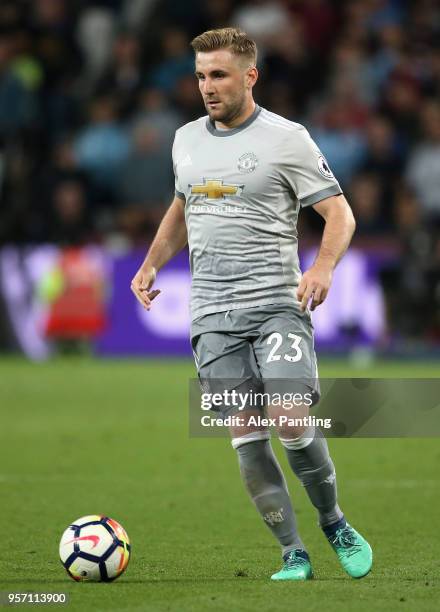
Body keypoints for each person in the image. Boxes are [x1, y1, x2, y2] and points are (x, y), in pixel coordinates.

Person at [131, 27, 372, 581]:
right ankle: (293, 552)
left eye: (218, 75)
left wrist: (322, 266)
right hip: (212, 316)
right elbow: (182, 206)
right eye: (199, 77)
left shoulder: (287, 139)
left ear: (249, 76)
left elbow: (340, 213)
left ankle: (333, 520)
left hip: (275, 306)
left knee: (290, 418)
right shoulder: (185, 138)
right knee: (246, 436)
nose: (207, 87)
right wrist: (150, 264)